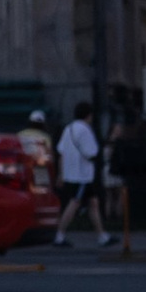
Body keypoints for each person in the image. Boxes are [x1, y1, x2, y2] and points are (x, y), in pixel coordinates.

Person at [55, 100, 102, 245]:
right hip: (83, 175)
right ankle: (59, 236)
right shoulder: (85, 130)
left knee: (93, 203)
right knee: (74, 203)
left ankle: (102, 235)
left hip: (72, 173)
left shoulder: (68, 129)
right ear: (89, 115)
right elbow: (91, 152)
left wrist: (61, 174)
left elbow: (61, 152)